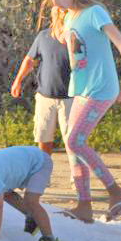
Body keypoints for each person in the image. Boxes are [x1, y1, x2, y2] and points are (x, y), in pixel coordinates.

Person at [44, 0, 121, 222]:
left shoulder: (95, 12)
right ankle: (84, 206)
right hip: (81, 88)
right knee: (71, 144)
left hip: (101, 87)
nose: (55, 2)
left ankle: (116, 191)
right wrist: (58, 15)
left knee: (75, 141)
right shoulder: (68, 17)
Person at [10, 8, 72, 155]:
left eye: (63, 11)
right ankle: (43, 175)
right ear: (53, 14)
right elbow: (29, 60)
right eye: (57, 11)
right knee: (43, 139)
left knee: (72, 142)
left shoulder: (75, 37)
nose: (59, 13)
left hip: (70, 98)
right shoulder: (43, 36)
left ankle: (77, 176)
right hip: (45, 96)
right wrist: (17, 81)